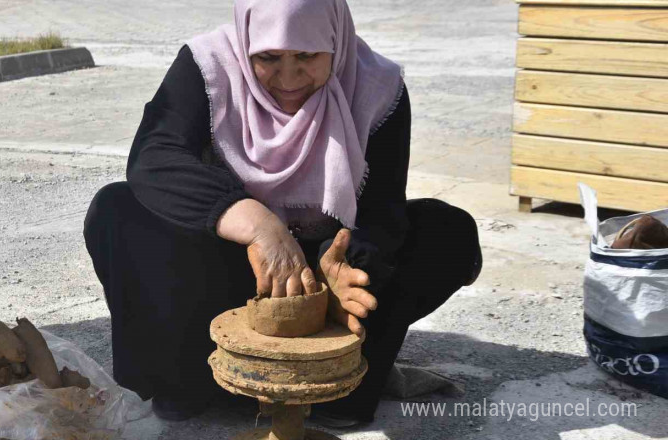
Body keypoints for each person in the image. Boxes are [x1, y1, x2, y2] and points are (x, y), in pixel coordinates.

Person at [84, 0, 482, 426]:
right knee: (116, 209)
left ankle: (336, 387)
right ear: (246, 43)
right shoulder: (209, 67)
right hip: (231, 271)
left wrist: (347, 263)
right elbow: (155, 158)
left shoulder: (377, 86)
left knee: (448, 231)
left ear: (336, 41)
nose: (289, 78)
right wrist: (257, 224)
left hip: (323, 285)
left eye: (308, 56)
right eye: (268, 58)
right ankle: (187, 380)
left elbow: (382, 207)